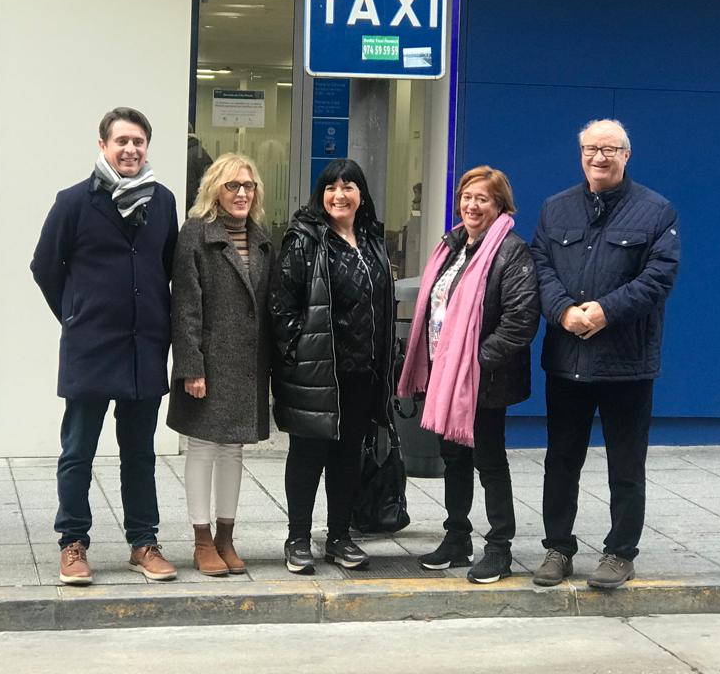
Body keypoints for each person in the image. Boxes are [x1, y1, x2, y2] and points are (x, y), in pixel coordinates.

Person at [31, 106, 179, 586]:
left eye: (138, 142)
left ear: (146, 147)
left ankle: (144, 542)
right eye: (122, 142)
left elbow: (167, 266)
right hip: (91, 348)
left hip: (144, 349)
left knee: (140, 453)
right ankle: (72, 542)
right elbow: (45, 267)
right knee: (78, 451)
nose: (131, 149)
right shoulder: (74, 202)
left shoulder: (164, 202)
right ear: (103, 146)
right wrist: (75, 315)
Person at [530, 119, 680, 589]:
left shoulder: (656, 211)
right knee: (561, 460)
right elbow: (540, 266)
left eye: (610, 149)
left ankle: (619, 553)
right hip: (567, 359)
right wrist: (563, 311)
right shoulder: (555, 209)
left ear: (626, 155)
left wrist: (604, 312)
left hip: (627, 364)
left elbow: (658, 279)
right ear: (581, 154)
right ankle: (558, 549)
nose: (600, 157)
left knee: (626, 463)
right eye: (592, 149)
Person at [397, 166, 539, 583]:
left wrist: (473, 363)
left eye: (483, 199)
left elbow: (520, 319)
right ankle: (457, 538)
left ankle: (499, 548)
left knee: (489, 462)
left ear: (500, 206)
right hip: (445, 375)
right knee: (453, 458)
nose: (473, 205)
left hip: (483, 379)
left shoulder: (511, 251)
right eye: (467, 197)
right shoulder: (454, 244)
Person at [269, 158, 395, 574]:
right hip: (318, 371)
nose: (339, 195)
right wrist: (296, 355)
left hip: (363, 373)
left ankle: (339, 536)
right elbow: (282, 305)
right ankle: (297, 539)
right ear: (320, 194)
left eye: (349, 187)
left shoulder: (373, 239)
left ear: (362, 195)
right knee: (307, 455)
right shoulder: (304, 238)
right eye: (331, 188)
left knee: (347, 457)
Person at [168, 152, 274, 576]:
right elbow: (186, 306)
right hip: (210, 364)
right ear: (215, 189)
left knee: (234, 450)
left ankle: (226, 537)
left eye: (248, 186)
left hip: (248, 364)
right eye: (233, 185)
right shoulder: (196, 233)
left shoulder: (263, 237)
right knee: (202, 448)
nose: (242, 193)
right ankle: (201, 540)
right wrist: (191, 366)